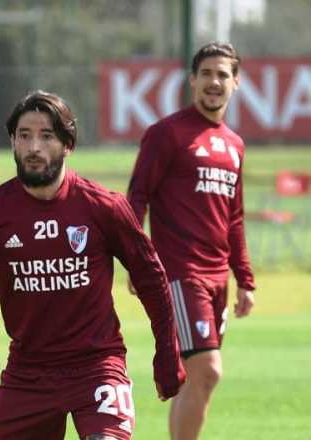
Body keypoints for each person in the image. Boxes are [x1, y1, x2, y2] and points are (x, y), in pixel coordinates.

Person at [0, 91, 186, 440]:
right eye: (24, 135)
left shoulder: (103, 207)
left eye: (46, 136)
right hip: (27, 373)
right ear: (12, 142)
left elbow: (151, 278)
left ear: (68, 144)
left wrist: (167, 354)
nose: (34, 147)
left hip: (96, 368)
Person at [126, 42, 255, 440]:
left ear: (235, 83)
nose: (214, 82)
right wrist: (136, 261)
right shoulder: (167, 134)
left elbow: (234, 217)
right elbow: (136, 198)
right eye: (206, 74)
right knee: (208, 370)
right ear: (192, 81)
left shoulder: (234, 145)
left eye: (222, 75)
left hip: (219, 278)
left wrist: (245, 279)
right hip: (181, 274)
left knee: (194, 380)